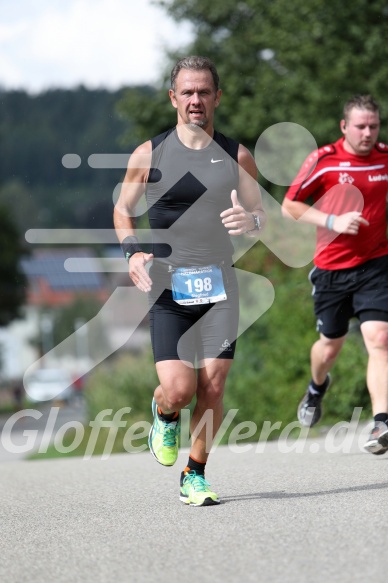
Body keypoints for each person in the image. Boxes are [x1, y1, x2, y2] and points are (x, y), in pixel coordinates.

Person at [114, 56, 265, 505]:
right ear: (173, 97)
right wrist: (132, 251)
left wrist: (250, 220)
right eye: (188, 92)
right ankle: (164, 410)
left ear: (217, 97)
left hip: (220, 284)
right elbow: (123, 210)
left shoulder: (237, 154)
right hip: (168, 287)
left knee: (214, 387)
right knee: (180, 390)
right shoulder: (150, 153)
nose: (196, 99)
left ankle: (194, 473)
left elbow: (261, 216)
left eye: (204, 91)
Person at [282, 94, 388, 455]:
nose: (368, 133)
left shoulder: (385, 157)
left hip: (376, 264)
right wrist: (332, 221)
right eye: (360, 126)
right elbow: (290, 206)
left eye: (373, 126)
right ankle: (316, 388)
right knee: (331, 346)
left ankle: (381, 424)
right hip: (331, 270)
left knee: (379, 337)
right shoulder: (324, 161)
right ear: (344, 127)